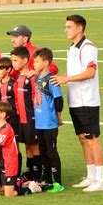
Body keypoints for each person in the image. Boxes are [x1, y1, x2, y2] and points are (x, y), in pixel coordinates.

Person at [50, 14, 103, 192]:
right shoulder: (73, 48)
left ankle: (100, 180)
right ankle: (91, 176)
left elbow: (90, 72)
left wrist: (66, 79)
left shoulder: (87, 47)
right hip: (76, 100)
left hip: (87, 101)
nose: (65, 30)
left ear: (79, 28)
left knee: (92, 139)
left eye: (69, 27)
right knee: (83, 139)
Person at [33, 48, 65, 193]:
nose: (34, 64)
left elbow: (58, 99)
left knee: (52, 151)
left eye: (37, 61)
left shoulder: (51, 79)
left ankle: (58, 182)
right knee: (43, 151)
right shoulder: (37, 78)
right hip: (39, 122)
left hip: (49, 122)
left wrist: (58, 116)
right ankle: (47, 180)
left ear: (46, 62)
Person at [11, 46, 42, 181]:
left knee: (35, 146)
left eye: (16, 60)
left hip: (32, 117)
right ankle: (30, 173)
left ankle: (38, 175)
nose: (13, 63)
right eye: (12, 60)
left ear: (25, 60)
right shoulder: (19, 77)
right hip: (22, 118)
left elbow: (37, 97)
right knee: (27, 145)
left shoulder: (33, 77)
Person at [0, 57, 22, 175]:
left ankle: (17, 173)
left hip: (14, 119)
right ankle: (5, 170)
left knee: (15, 146)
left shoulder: (13, 84)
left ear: (9, 69)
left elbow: (18, 102)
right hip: (3, 120)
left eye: (1, 69)